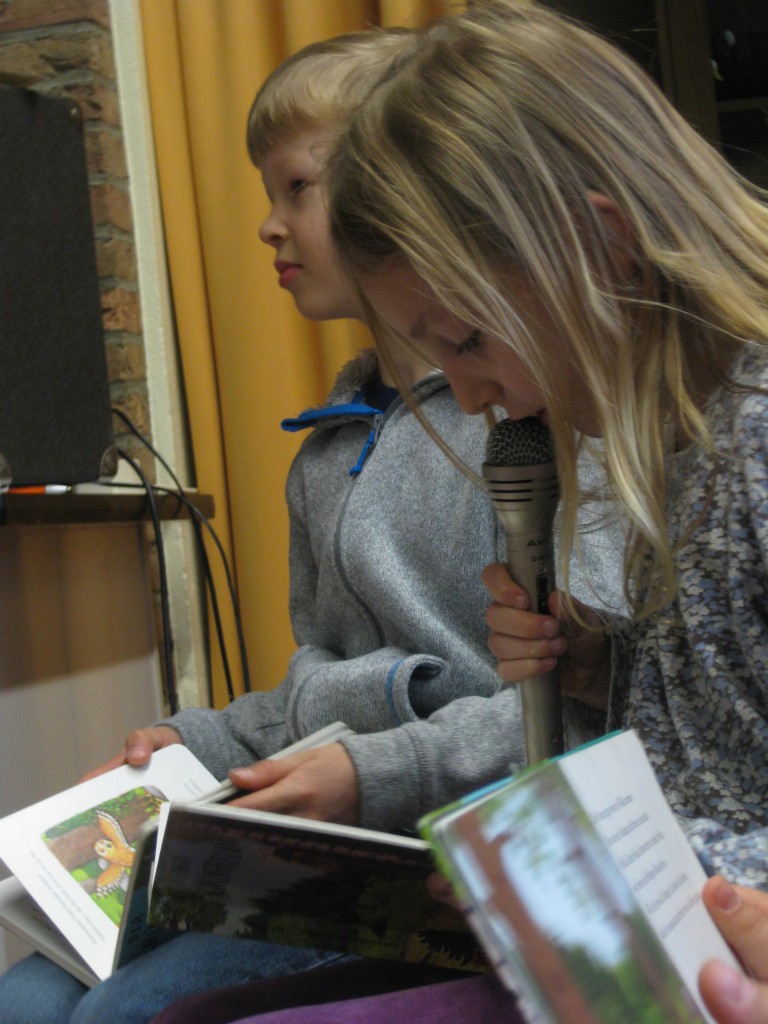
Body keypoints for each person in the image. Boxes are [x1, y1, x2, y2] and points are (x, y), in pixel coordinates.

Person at [1, 25, 625, 1024]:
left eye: (299, 187)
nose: (269, 225)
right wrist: (193, 742)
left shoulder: (533, 422)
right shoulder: (327, 452)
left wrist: (370, 772)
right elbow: (320, 690)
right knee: (27, 998)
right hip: (336, 835)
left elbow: (587, 706)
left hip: (450, 852)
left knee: (125, 1013)